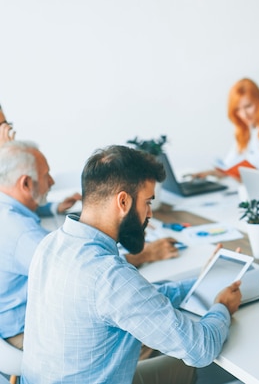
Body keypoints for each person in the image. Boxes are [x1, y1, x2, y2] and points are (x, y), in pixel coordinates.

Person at [22, 145, 242, 383]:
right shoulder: (108, 275)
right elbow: (201, 349)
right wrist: (222, 307)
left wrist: (202, 282)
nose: (150, 214)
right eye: (147, 202)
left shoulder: (50, 243)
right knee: (192, 366)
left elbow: (139, 298)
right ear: (123, 201)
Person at [0, 141, 180, 351]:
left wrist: (54, 207)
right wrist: (144, 254)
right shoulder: (23, 234)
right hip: (24, 332)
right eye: (46, 175)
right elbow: (83, 273)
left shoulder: (7, 209)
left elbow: (29, 207)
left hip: (11, 322)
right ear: (26, 184)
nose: (52, 181)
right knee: (146, 328)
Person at [192, 78, 259, 187]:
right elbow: (228, 167)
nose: (244, 115)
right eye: (237, 110)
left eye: (248, 106)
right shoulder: (245, 131)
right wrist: (209, 173)